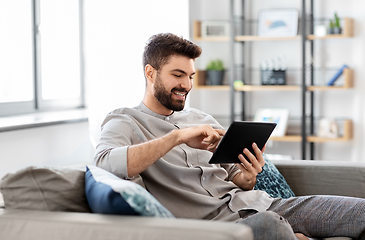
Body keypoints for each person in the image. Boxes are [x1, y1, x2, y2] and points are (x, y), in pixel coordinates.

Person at [94, 33, 365, 240]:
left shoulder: (203, 120)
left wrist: (247, 177)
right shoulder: (124, 121)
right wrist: (177, 138)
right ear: (150, 73)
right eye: (177, 75)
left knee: (360, 211)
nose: (187, 85)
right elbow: (105, 163)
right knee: (270, 226)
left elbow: (238, 179)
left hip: (263, 204)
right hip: (221, 227)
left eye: (190, 76)